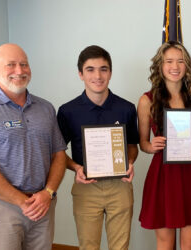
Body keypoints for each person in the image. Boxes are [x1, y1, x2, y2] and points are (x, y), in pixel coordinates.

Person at [57, 45, 139, 250]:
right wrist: (76, 168)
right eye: (90, 69)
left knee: (120, 247)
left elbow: (132, 145)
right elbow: (58, 153)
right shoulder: (67, 111)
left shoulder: (126, 108)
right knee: (88, 246)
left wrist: (129, 162)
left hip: (120, 185)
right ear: (80, 74)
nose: (98, 75)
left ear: (110, 72)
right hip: (86, 187)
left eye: (103, 69)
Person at [138, 41, 191, 250]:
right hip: (163, 175)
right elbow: (143, 143)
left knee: (190, 242)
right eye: (169, 61)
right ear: (160, 66)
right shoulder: (147, 100)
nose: (175, 66)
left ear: (187, 65)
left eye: (180, 61)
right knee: (165, 242)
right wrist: (151, 146)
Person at [0, 43, 67, 249]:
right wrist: (20, 200)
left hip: (43, 205)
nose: (19, 70)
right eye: (11, 65)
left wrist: (48, 192)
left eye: (24, 64)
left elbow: (58, 155)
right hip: (3, 208)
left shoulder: (45, 108)